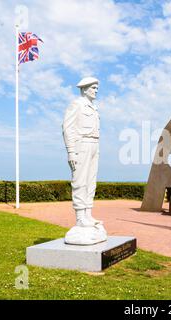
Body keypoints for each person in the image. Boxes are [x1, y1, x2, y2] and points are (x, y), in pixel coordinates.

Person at [62, 77, 103, 233]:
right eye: (93, 88)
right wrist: (71, 151)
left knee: (91, 181)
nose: (96, 90)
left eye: (96, 88)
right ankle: (80, 217)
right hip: (82, 144)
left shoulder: (93, 107)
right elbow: (67, 127)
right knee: (80, 180)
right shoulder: (76, 104)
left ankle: (88, 214)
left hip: (94, 144)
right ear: (84, 89)